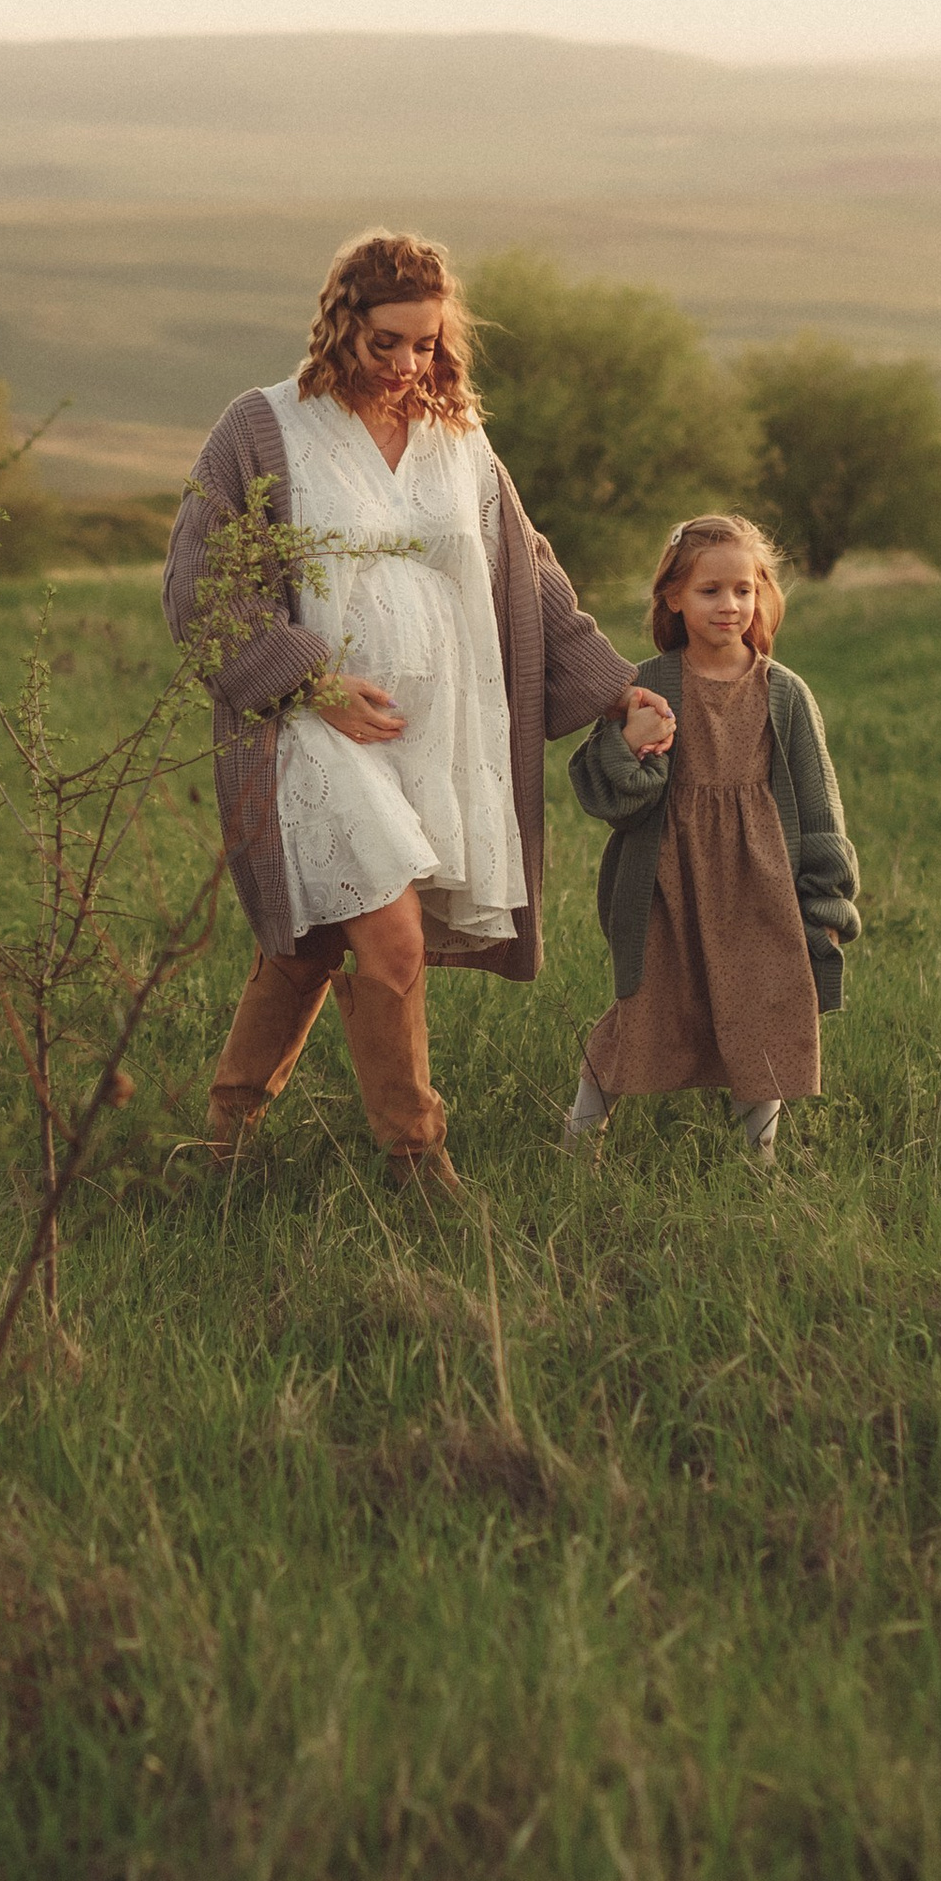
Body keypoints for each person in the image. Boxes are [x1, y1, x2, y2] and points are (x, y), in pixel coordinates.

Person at [161, 229, 671, 1191]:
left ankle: (222, 1146)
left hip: (438, 731)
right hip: (311, 729)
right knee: (391, 939)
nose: (405, 365)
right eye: (385, 342)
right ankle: (418, 1160)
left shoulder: (459, 438)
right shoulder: (263, 429)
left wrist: (612, 688)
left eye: (425, 344)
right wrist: (310, 681)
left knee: (316, 943)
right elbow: (201, 584)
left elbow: (529, 578)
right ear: (340, 325)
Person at [562, 512, 860, 1165]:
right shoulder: (649, 687)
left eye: (743, 590)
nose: (730, 605)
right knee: (643, 1009)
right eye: (710, 590)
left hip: (762, 887)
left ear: (761, 595)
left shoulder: (785, 693)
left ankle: (761, 1160)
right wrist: (630, 745)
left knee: (765, 1011)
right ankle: (579, 1145)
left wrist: (827, 904)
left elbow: (820, 809)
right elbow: (610, 798)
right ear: (673, 596)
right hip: (668, 885)